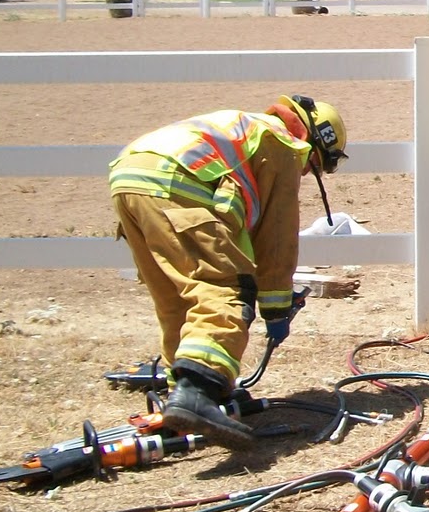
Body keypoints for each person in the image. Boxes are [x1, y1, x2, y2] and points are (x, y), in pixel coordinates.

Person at [108, 95, 347, 447]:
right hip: (175, 182)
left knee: (180, 300)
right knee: (225, 289)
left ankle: (185, 396)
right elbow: (276, 239)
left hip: (129, 177)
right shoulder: (281, 144)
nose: (306, 173)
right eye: (315, 166)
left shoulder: (247, 131)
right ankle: (196, 393)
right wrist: (277, 309)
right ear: (315, 143)